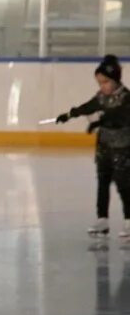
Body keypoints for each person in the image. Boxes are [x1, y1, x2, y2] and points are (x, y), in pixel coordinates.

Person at [55, 55, 130, 239]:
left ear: (115, 80)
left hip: (123, 146)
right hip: (104, 145)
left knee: (123, 184)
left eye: (105, 82)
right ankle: (102, 219)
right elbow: (89, 106)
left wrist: (99, 121)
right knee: (102, 182)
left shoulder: (126, 97)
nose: (102, 86)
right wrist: (70, 114)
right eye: (99, 83)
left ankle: (129, 220)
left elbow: (119, 116)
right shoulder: (101, 96)